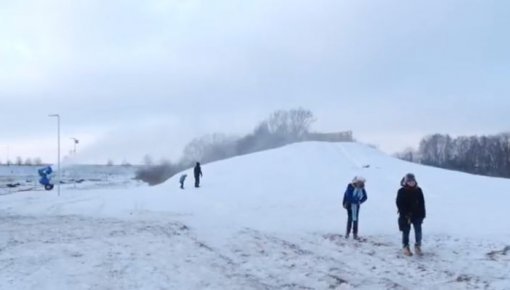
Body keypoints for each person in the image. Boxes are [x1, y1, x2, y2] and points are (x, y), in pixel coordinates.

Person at [396, 173, 426, 256]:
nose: (411, 183)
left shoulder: (418, 190)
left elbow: (422, 203)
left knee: (418, 231)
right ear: (405, 182)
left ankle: (418, 246)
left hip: (417, 215)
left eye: (412, 181)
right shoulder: (401, 191)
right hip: (405, 215)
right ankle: (405, 246)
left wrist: (422, 215)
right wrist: (405, 213)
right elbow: (399, 203)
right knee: (406, 231)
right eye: (409, 181)